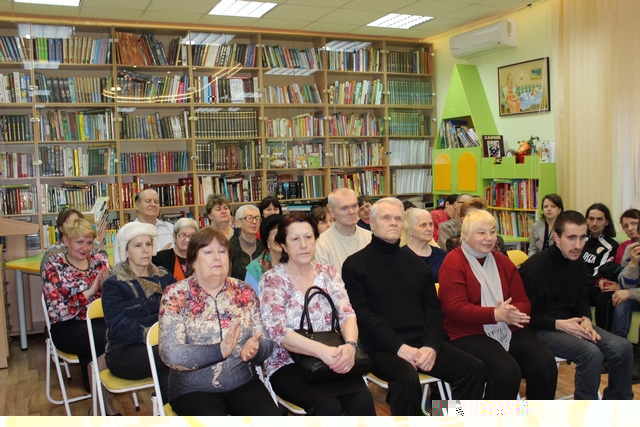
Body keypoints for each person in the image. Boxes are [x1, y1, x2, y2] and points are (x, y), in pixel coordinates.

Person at [342, 198, 485, 415]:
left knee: (473, 369)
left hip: (422, 342)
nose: (393, 222)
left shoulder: (416, 264)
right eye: (386, 218)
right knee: (407, 378)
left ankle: (442, 416)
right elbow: (363, 316)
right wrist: (399, 347)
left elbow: (434, 310)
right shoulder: (355, 265)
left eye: (398, 218)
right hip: (381, 347)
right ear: (372, 223)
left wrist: (431, 347)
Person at [259, 213, 376, 415]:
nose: (303, 245)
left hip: (336, 355)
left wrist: (350, 346)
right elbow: (279, 332)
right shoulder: (272, 280)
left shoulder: (328, 273)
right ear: (283, 245)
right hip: (289, 362)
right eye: (295, 239)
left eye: (308, 237)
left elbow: (347, 314)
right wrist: (321, 352)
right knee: (329, 406)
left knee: (362, 401)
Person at [159, 228, 280, 416]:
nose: (217, 257)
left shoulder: (244, 291)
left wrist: (257, 350)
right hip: (192, 389)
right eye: (208, 252)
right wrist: (220, 350)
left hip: (243, 383)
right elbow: (171, 354)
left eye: (222, 251)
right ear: (192, 261)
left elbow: (266, 342)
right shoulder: (176, 294)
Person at [438, 210, 557, 399]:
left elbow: (522, 301)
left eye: (492, 232)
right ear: (466, 235)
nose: (489, 238)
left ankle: (536, 415)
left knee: (545, 363)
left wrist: (512, 313)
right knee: (507, 371)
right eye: (481, 232)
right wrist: (496, 314)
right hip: (466, 332)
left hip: (506, 326)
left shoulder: (503, 262)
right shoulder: (453, 262)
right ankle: (491, 415)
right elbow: (455, 310)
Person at [520, 210, 634, 400]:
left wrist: (586, 319)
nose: (578, 245)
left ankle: (617, 406)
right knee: (590, 353)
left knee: (622, 347)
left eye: (582, 237)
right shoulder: (533, 268)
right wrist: (557, 324)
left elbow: (581, 299)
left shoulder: (577, 262)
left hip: (572, 323)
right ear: (557, 237)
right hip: (541, 328)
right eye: (571, 238)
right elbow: (524, 317)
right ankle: (584, 411)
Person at [102, 222, 176, 404]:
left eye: (148, 244)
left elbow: (181, 305)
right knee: (172, 355)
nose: (145, 250)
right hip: (123, 351)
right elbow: (118, 325)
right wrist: (152, 335)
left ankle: (167, 408)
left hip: (161, 347)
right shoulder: (114, 283)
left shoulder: (164, 276)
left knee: (171, 366)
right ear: (126, 251)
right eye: (138, 245)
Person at [42, 218, 111, 399]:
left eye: (89, 243)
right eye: (79, 242)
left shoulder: (99, 262)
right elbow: (58, 313)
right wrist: (90, 291)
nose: (85, 248)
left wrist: (110, 286)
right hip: (67, 326)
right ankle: (102, 403)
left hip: (98, 320)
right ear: (66, 241)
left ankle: (101, 401)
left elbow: (111, 298)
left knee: (121, 333)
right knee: (105, 337)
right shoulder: (54, 269)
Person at [314, 188, 372, 271]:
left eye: (354, 206)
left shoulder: (371, 238)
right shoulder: (321, 245)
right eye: (344, 208)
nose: (352, 212)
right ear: (332, 213)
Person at [583, 203, 619, 330]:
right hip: (577, 282)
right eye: (591, 218)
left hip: (595, 285)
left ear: (606, 222)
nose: (594, 223)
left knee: (583, 294)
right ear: (586, 220)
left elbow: (601, 274)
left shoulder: (611, 246)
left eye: (599, 219)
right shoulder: (580, 240)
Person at [113, 188, 174, 265]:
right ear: (137, 206)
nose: (153, 204)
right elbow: (119, 267)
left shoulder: (171, 229)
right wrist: (158, 258)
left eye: (156, 202)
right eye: (148, 201)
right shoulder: (125, 232)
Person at [40, 208, 107, 273]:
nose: (74, 225)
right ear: (61, 228)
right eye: (69, 222)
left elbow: (107, 272)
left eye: (77, 221)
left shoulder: (96, 246)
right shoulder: (52, 252)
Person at [401, 208, 447, 282]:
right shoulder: (401, 256)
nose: (429, 229)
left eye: (431, 224)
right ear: (410, 230)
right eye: (423, 225)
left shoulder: (441, 255)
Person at [244, 214, 283, 293]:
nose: (280, 239)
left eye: (283, 235)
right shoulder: (255, 269)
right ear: (267, 242)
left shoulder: (297, 262)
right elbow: (251, 298)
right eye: (276, 235)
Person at [229, 205, 265, 280]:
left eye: (257, 218)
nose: (254, 222)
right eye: (249, 218)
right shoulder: (229, 247)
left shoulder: (264, 247)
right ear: (238, 223)